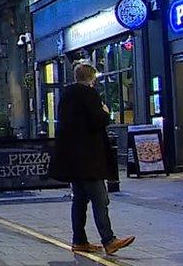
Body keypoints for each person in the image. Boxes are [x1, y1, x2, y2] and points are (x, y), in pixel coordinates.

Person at [50, 62, 135, 255]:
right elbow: (98, 120)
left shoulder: (65, 96)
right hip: (89, 158)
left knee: (79, 200)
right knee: (100, 199)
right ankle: (109, 240)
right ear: (92, 78)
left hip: (73, 159)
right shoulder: (89, 94)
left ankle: (79, 240)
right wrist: (105, 112)